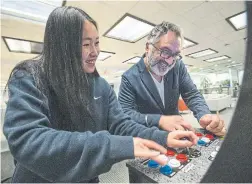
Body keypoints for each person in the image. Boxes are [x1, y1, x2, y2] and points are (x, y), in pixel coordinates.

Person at [3, 7, 198, 183]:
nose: (95, 51)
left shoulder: (100, 86)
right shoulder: (29, 78)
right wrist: (112, 145)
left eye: (96, 43)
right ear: (62, 46)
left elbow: (121, 124)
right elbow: (29, 140)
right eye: (86, 44)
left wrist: (162, 137)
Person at [118, 21, 226, 136]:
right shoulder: (129, 77)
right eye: (165, 52)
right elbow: (125, 114)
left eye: (175, 55)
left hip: (178, 133)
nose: (170, 61)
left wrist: (204, 115)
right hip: (149, 137)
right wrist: (159, 120)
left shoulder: (178, 66)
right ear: (147, 47)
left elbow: (191, 94)